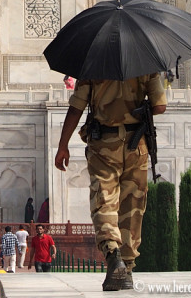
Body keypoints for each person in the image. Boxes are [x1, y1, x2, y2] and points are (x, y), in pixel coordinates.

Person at [55, 74, 167, 292]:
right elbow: (160, 106)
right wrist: (137, 109)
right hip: (137, 143)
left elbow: (76, 108)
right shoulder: (146, 66)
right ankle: (127, 267)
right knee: (133, 205)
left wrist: (63, 145)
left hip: (104, 143)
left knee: (104, 199)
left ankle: (113, 254)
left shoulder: (92, 66)